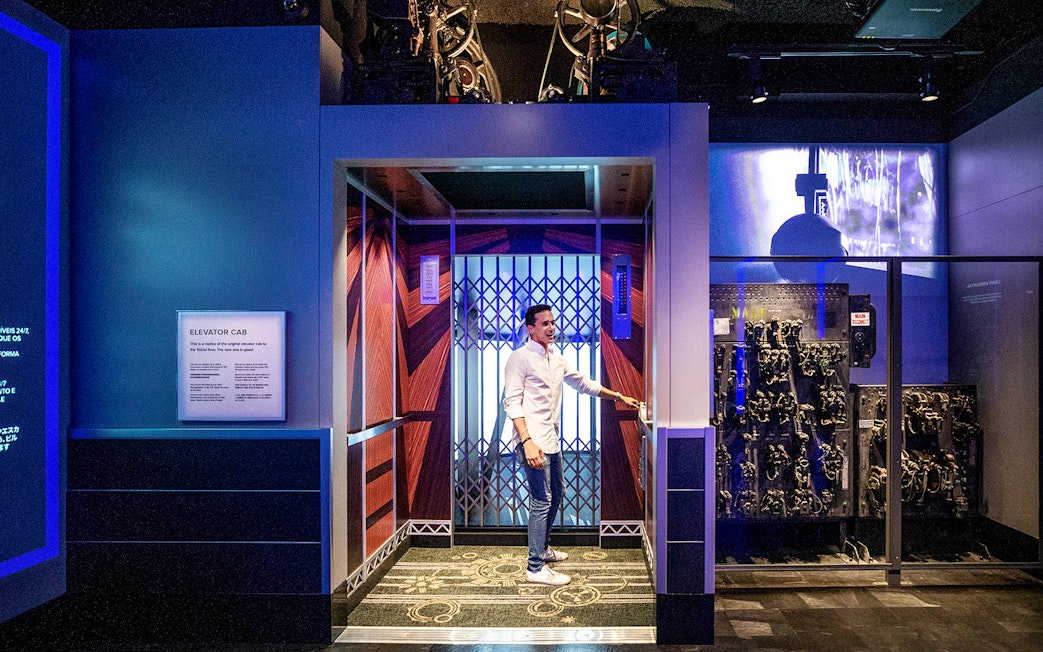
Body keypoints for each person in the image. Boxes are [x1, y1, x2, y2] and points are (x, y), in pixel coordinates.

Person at [502, 304, 641, 586]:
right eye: (544, 324)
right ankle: (535, 567)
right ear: (530, 329)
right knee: (542, 500)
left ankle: (541, 548)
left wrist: (618, 396)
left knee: (558, 492)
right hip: (532, 440)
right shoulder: (519, 358)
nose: (551, 327)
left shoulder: (555, 357)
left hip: (550, 439)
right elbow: (511, 402)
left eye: (553, 322)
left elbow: (583, 383)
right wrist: (527, 442)